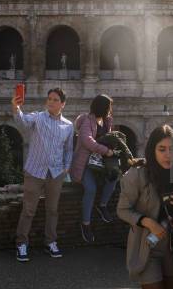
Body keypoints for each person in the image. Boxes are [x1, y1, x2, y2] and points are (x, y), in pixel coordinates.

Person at [117, 124, 173, 289]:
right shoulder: (137, 174)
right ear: (152, 150)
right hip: (147, 247)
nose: (168, 155)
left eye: (172, 149)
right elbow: (122, 210)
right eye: (162, 149)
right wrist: (148, 222)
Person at [11, 87, 74, 262]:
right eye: (49, 99)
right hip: (35, 171)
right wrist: (16, 108)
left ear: (63, 104)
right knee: (29, 210)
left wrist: (66, 167)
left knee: (52, 210)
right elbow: (22, 122)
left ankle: (50, 242)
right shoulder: (38, 117)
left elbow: (68, 149)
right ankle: (21, 243)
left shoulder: (68, 125)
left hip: (56, 173)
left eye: (55, 100)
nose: (51, 102)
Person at [70, 94, 117, 243]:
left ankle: (102, 205)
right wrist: (105, 150)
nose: (110, 110)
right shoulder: (87, 121)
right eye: (108, 107)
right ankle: (86, 224)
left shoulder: (107, 121)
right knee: (90, 189)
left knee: (114, 177)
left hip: (100, 163)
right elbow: (86, 141)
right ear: (102, 107)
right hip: (85, 163)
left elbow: (108, 138)